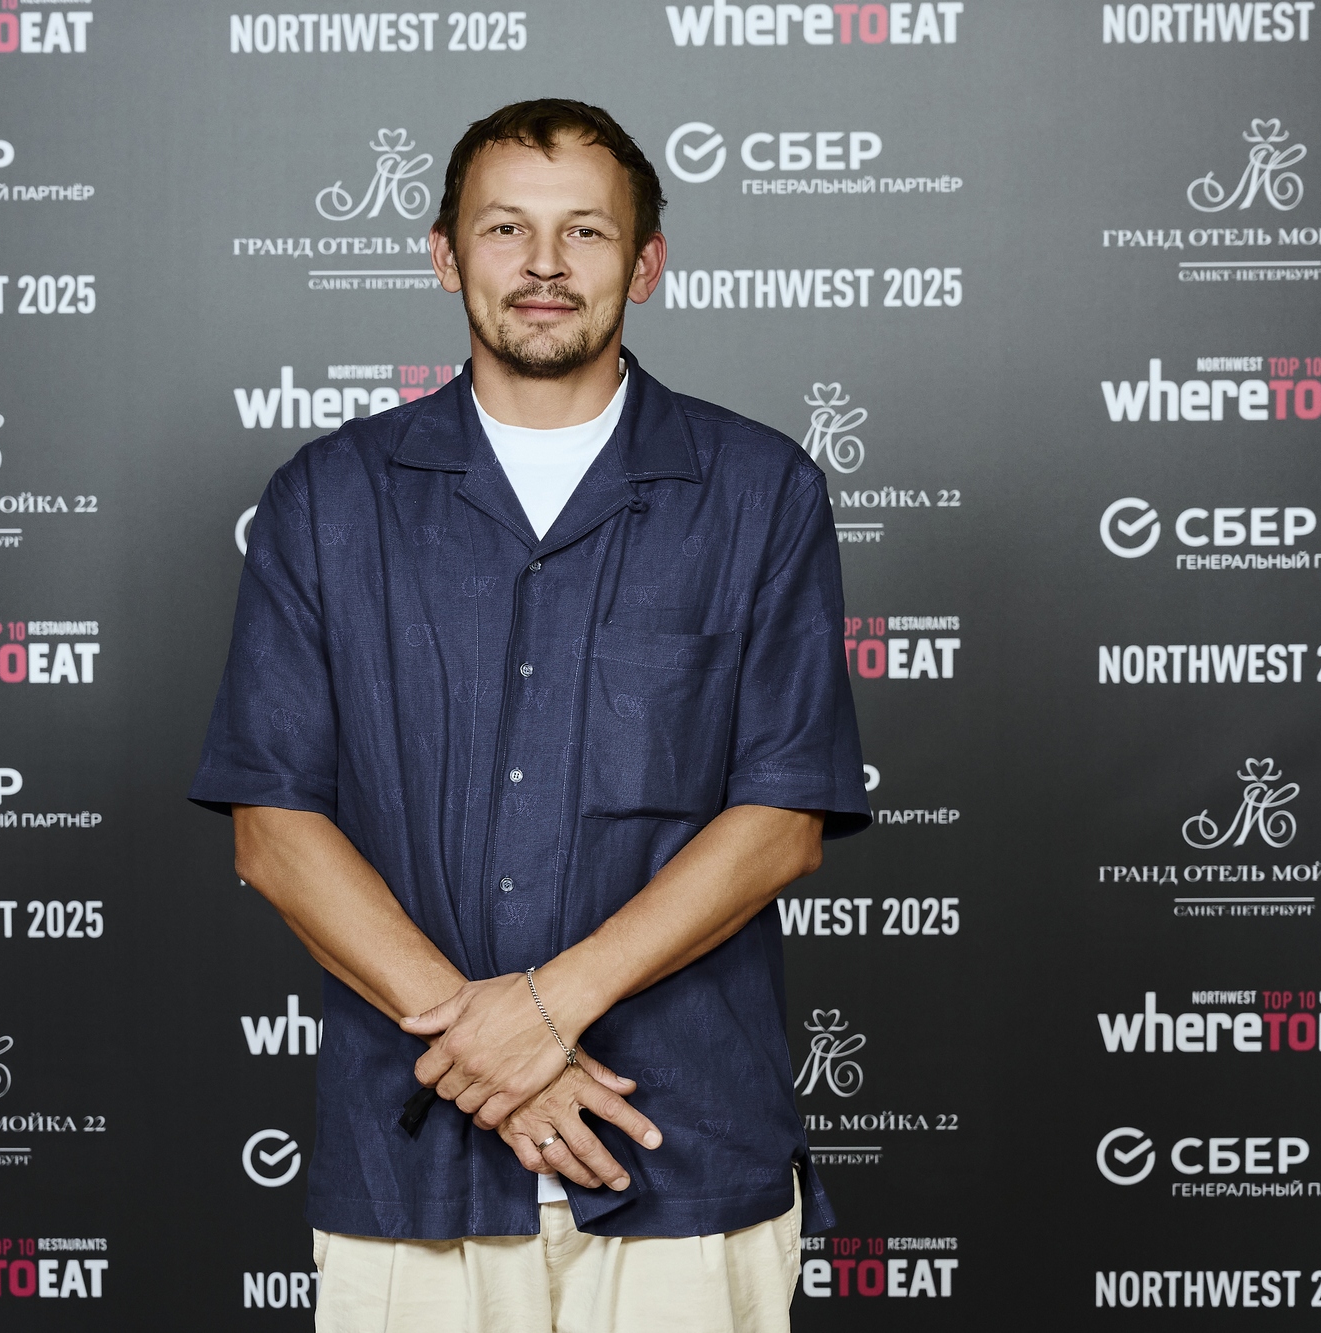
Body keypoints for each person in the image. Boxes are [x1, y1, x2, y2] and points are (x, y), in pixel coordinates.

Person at [192, 98, 869, 1333]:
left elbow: (781, 820)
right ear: (445, 256)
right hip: (413, 1164)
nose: (544, 264)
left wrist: (542, 1014)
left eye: (586, 232)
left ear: (645, 264)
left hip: (683, 1151)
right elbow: (274, 827)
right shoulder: (328, 498)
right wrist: (499, 1061)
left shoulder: (758, 490)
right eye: (505, 227)